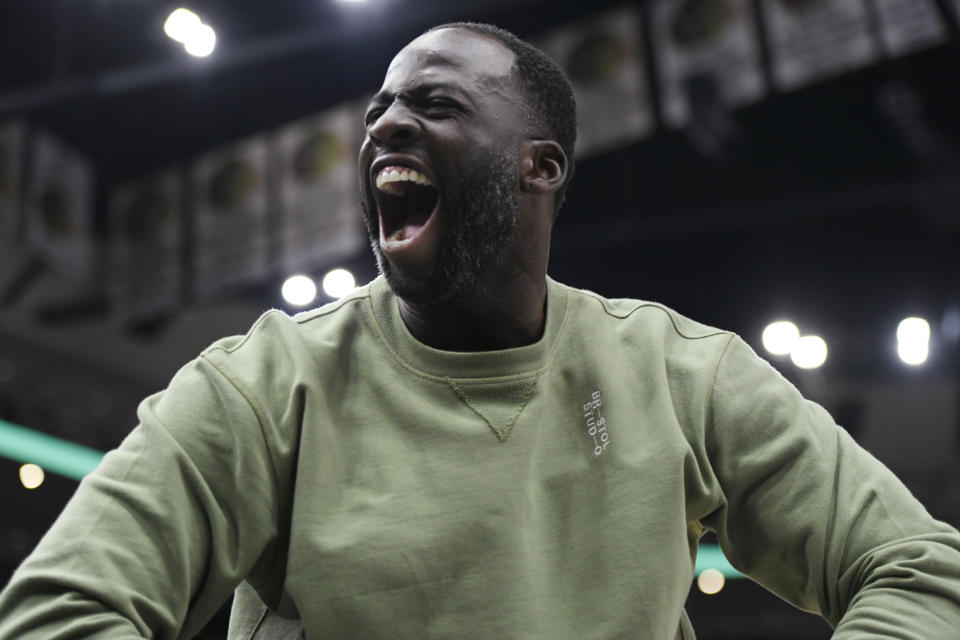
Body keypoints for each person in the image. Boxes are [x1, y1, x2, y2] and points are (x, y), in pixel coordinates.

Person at [1, 21, 959, 640]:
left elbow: (922, 571)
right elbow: (61, 610)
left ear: (539, 167)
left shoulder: (682, 376)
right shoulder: (263, 384)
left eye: (436, 104)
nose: (386, 128)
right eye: (379, 111)